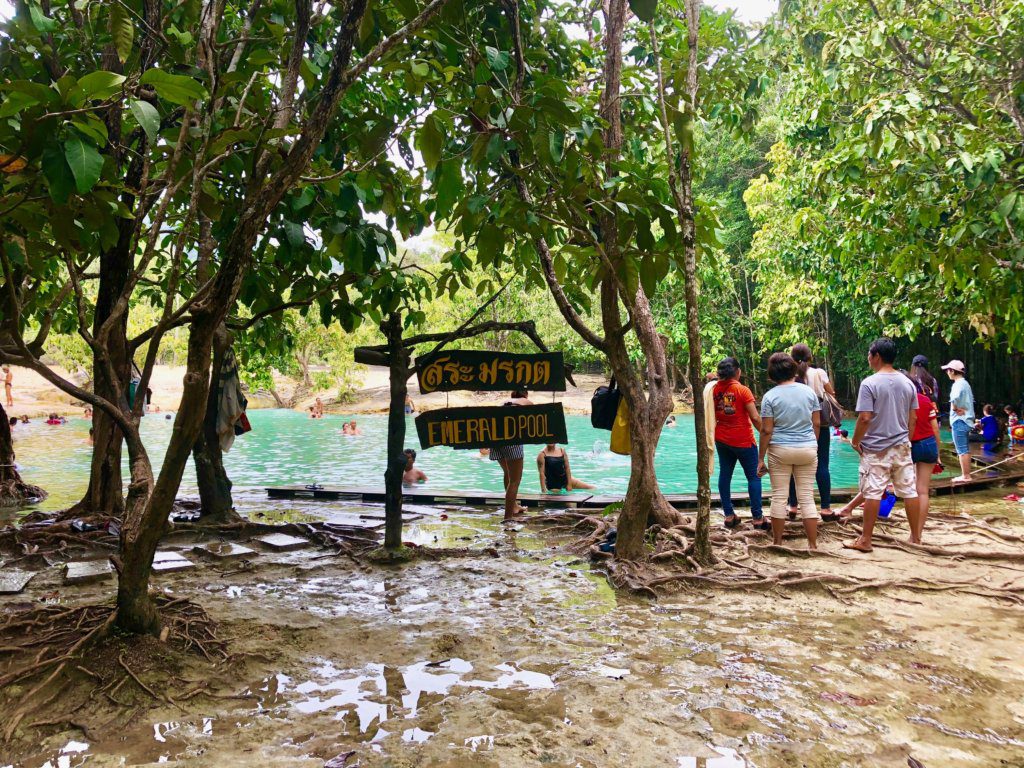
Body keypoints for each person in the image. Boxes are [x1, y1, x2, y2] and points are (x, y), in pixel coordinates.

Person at [844, 338, 922, 552]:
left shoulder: (869, 383)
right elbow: (913, 418)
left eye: (870, 354)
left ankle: (865, 540)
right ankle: (915, 537)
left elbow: (865, 418)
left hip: (876, 447)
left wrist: (855, 441)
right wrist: (907, 440)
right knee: (909, 491)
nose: (868, 358)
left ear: (876, 356)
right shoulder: (908, 383)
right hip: (902, 445)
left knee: (873, 491)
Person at [757, 353, 821, 549]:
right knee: (807, 497)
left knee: (779, 496)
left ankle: (777, 542)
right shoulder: (809, 393)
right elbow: (816, 423)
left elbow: (767, 430)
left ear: (772, 374)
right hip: (808, 449)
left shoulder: (770, 396)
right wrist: (812, 443)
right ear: (793, 369)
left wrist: (761, 458)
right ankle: (812, 544)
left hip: (780, 451)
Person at [712, 357, 767, 531]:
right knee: (754, 476)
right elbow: (755, 417)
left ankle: (729, 515)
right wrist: (766, 435)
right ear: (737, 372)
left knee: (725, 475)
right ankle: (757, 518)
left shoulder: (713, 390)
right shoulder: (743, 390)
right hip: (743, 440)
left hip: (721, 439)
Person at [786, 344, 839, 522]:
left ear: (792, 358)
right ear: (810, 357)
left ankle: (792, 506)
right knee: (822, 465)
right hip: (820, 425)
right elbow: (831, 393)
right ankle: (825, 508)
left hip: (797, 424)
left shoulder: (789, 376)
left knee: (793, 467)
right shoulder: (819, 373)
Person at [906, 370, 940, 534]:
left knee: (910, 490)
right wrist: (938, 454)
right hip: (929, 445)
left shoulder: (902, 402)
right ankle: (917, 534)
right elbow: (935, 429)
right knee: (923, 490)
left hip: (911, 446)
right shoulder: (926, 400)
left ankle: (912, 531)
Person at [490, 390, 532, 520]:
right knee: (515, 481)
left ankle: (514, 506)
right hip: (512, 440)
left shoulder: (502, 403)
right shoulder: (526, 402)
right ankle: (508, 518)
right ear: (525, 394)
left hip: (495, 440)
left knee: (508, 473)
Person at [942, 359, 975, 483]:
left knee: (961, 449)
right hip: (966, 420)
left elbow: (954, 399)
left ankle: (965, 476)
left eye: (948, 370)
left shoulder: (958, 384)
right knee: (964, 448)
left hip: (959, 420)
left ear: (952, 371)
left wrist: (955, 408)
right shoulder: (965, 383)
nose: (947, 372)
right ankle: (966, 474)